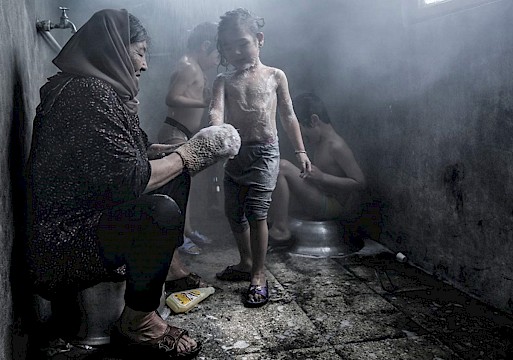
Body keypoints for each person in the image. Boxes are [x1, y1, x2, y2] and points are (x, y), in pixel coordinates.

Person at [24, 9, 240, 358]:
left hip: (84, 219)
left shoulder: (94, 90)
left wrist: (171, 154)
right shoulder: (86, 95)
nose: (143, 65)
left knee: (175, 177)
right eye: (140, 52)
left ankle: (164, 271)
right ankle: (137, 322)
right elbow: (128, 180)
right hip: (64, 241)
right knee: (159, 211)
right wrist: (190, 154)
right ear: (113, 49)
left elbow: (128, 156)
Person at [208, 8, 311, 308]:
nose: (236, 51)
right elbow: (216, 111)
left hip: (265, 151)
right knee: (233, 212)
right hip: (235, 152)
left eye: (242, 43)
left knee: (256, 211)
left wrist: (301, 151)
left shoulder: (275, 76)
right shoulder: (223, 80)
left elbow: (289, 115)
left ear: (259, 39)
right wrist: (216, 132)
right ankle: (245, 261)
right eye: (228, 47)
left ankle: (258, 274)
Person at [158, 23, 219, 292]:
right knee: (178, 188)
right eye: (216, 54)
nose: (217, 61)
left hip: (184, 133)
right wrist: (204, 103)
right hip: (175, 132)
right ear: (205, 46)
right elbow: (171, 98)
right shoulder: (188, 65)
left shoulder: (194, 66)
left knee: (188, 187)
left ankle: (188, 230)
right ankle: (180, 238)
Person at [268, 93, 366, 244]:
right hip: (321, 196)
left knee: (282, 167)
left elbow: (360, 183)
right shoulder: (321, 142)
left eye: (303, 133)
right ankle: (274, 225)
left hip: (332, 206)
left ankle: (281, 228)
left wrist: (322, 177)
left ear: (314, 120)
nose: (303, 139)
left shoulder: (336, 145)